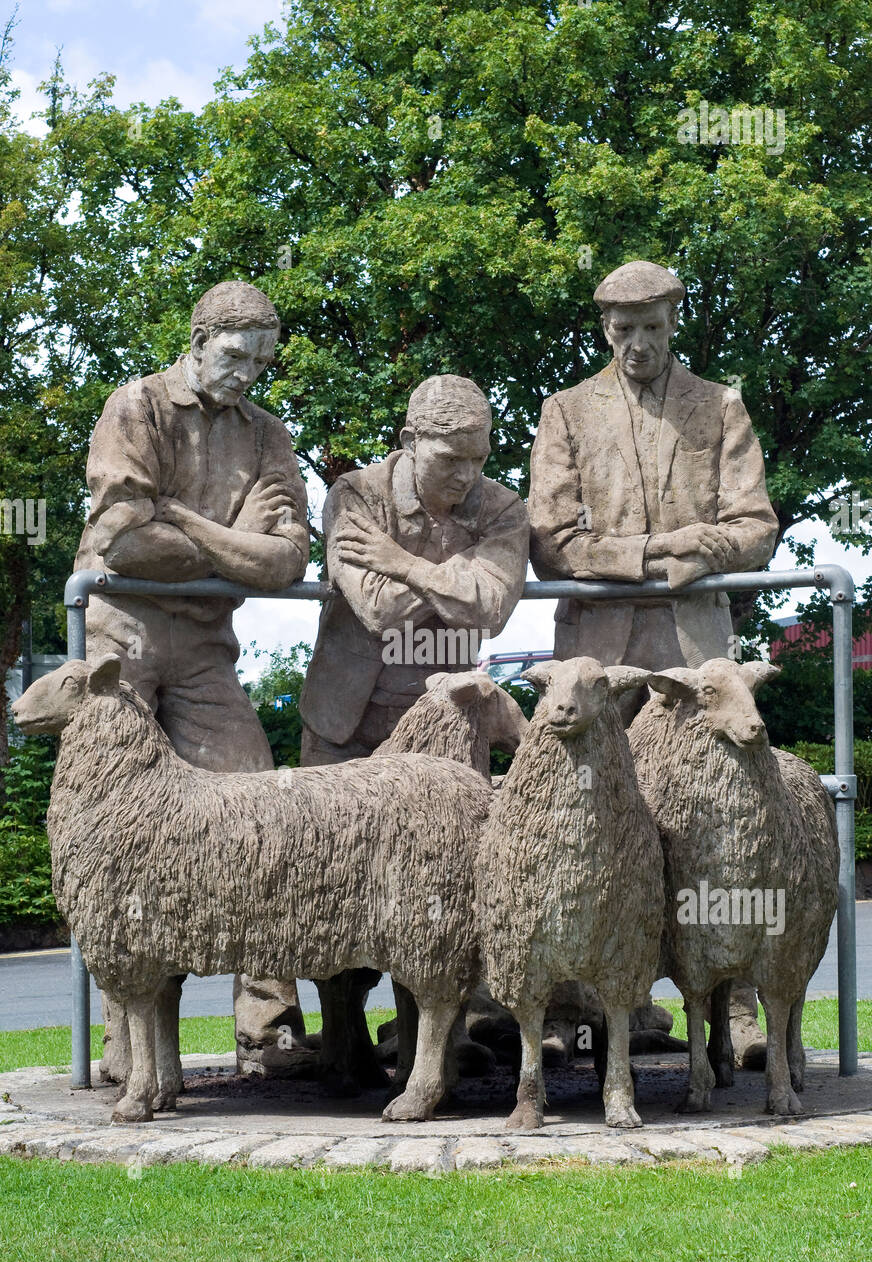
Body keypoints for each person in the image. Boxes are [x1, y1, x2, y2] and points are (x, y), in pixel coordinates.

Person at [527, 259, 780, 1067]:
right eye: (623, 329)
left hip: (695, 647)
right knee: (581, 822)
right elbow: (551, 541)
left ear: (676, 322)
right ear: (604, 328)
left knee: (718, 821)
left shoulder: (721, 405)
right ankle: (570, 1003)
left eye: (653, 328)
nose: (638, 344)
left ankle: (734, 1009)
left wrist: (707, 544)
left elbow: (756, 525)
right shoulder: (565, 410)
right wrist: (653, 551)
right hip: (596, 652)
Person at [246, 374, 530, 1088]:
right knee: (329, 880)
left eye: (478, 456)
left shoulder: (502, 508)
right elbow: (375, 609)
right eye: (448, 459)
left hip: (442, 733)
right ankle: (341, 1039)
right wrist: (449, 580)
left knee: (437, 885)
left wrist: (404, 562)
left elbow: (490, 608)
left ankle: (426, 1042)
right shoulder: (356, 496)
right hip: (348, 725)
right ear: (409, 443)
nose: (466, 476)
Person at [76, 280, 310, 1084]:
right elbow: (123, 543)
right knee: (122, 839)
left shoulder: (266, 435)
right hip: (121, 638)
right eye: (236, 355)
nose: (247, 372)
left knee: (257, 816)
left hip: (207, 646)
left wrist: (184, 521)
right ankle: (125, 1037)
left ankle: (269, 1019)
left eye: (262, 361)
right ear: (199, 340)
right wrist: (229, 543)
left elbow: (285, 561)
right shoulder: (135, 407)